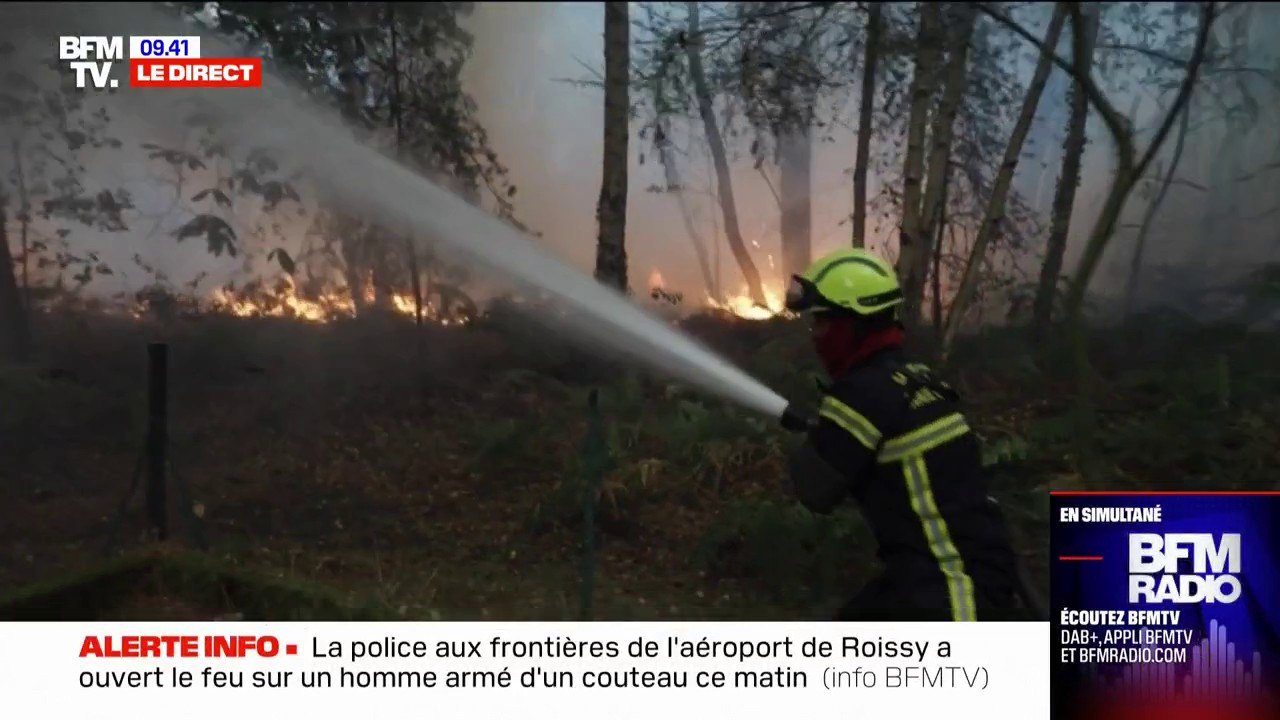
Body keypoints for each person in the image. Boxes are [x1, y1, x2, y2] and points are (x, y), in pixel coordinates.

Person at [782, 248, 1033, 621]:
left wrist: (800, 439)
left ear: (853, 325)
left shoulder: (862, 392)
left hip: (952, 595)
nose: (815, 334)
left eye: (821, 322)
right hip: (976, 575)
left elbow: (815, 491)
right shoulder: (917, 379)